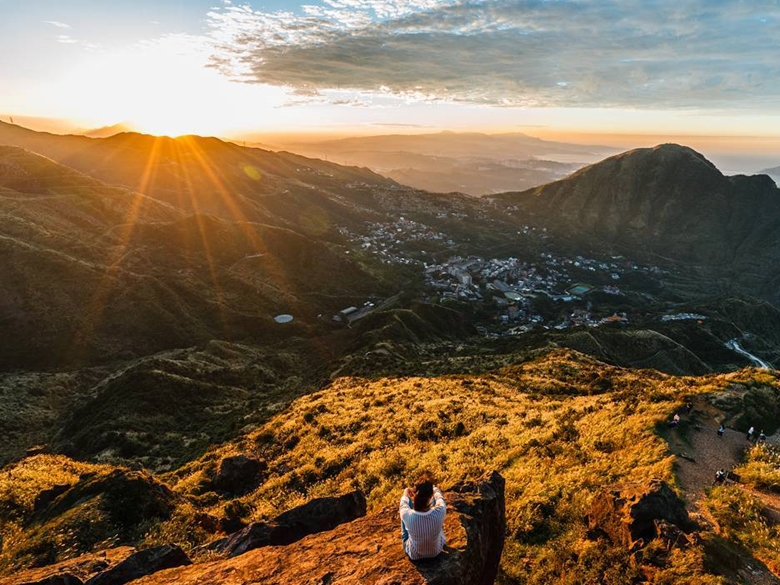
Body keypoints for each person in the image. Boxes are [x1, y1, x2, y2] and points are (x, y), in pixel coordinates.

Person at [399, 472, 446, 560]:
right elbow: (439, 497)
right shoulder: (441, 510)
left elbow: (403, 502)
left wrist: (405, 492)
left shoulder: (407, 514)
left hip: (414, 555)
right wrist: (434, 488)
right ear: (431, 495)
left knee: (403, 513)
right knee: (436, 506)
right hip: (436, 552)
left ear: (414, 494)